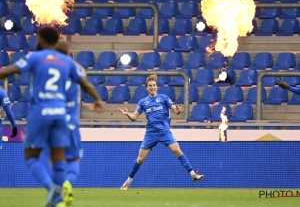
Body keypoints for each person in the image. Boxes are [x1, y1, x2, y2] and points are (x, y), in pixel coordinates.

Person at [0, 26, 104, 207]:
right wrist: (97, 99)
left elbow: (8, 71)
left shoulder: (35, 57)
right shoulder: (67, 62)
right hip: (61, 115)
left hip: (40, 113)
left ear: (42, 40)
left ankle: (51, 187)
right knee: (58, 160)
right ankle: (58, 200)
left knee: (31, 156)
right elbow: (85, 83)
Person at [118, 74, 204, 190]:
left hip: (164, 132)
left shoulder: (164, 98)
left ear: (157, 87)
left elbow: (174, 108)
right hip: (151, 133)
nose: (152, 87)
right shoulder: (143, 102)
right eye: (150, 86)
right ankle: (128, 181)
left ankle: (193, 174)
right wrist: (128, 114)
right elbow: (134, 117)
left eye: (154, 85)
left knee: (177, 151)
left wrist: (177, 111)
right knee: (140, 159)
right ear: (146, 88)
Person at [54, 40, 84, 207]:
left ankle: (58, 199)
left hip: (54, 123)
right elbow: (83, 73)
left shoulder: (48, 72)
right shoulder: (75, 72)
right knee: (74, 160)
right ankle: (68, 183)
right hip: (71, 124)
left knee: (55, 162)